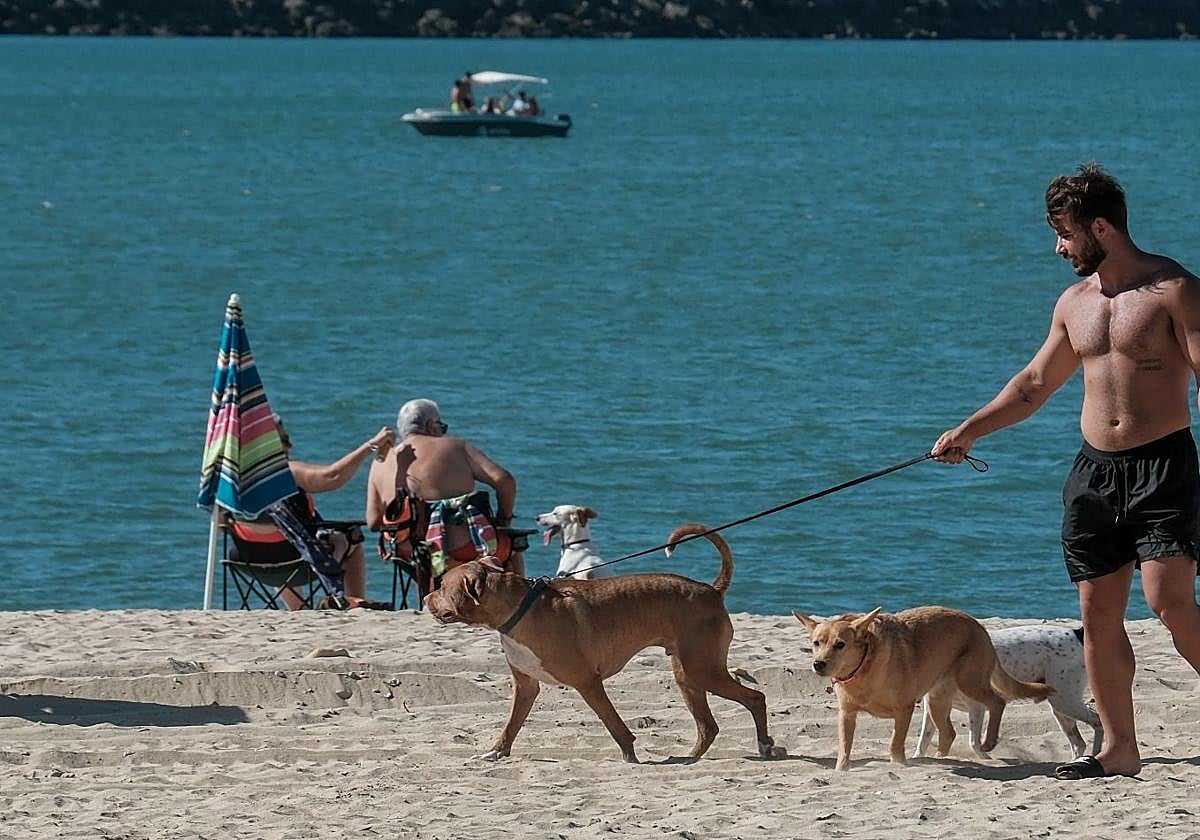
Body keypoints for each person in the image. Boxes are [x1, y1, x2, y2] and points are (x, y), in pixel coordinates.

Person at [931, 162, 1200, 780]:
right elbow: (1031, 386)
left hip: (1164, 466)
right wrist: (968, 431)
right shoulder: (1074, 304)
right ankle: (1118, 748)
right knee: (1097, 616)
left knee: (1169, 602)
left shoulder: (1175, 291)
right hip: (1094, 474)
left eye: (1066, 234)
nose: (1059, 247)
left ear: (1101, 228)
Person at [231, 414, 395, 610]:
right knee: (350, 537)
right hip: (297, 561)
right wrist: (372, 445)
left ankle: (298, 609)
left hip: (248, 560)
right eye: (285, 440)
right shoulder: (285, 472)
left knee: (278, 535)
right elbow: (332, 476)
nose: (290, 447)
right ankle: (353, 602)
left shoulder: (233, 481)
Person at [366, 398, 523, 581]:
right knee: (513, 545)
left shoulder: (380, 462)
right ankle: (519, 606)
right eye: (442, 427)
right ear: (431, 425)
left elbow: (373, 522)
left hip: (407, 552)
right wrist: (504, 519)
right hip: (462, 547)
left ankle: (430, 595)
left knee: (421, 555)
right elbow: (505, 480)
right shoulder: (456, 447)